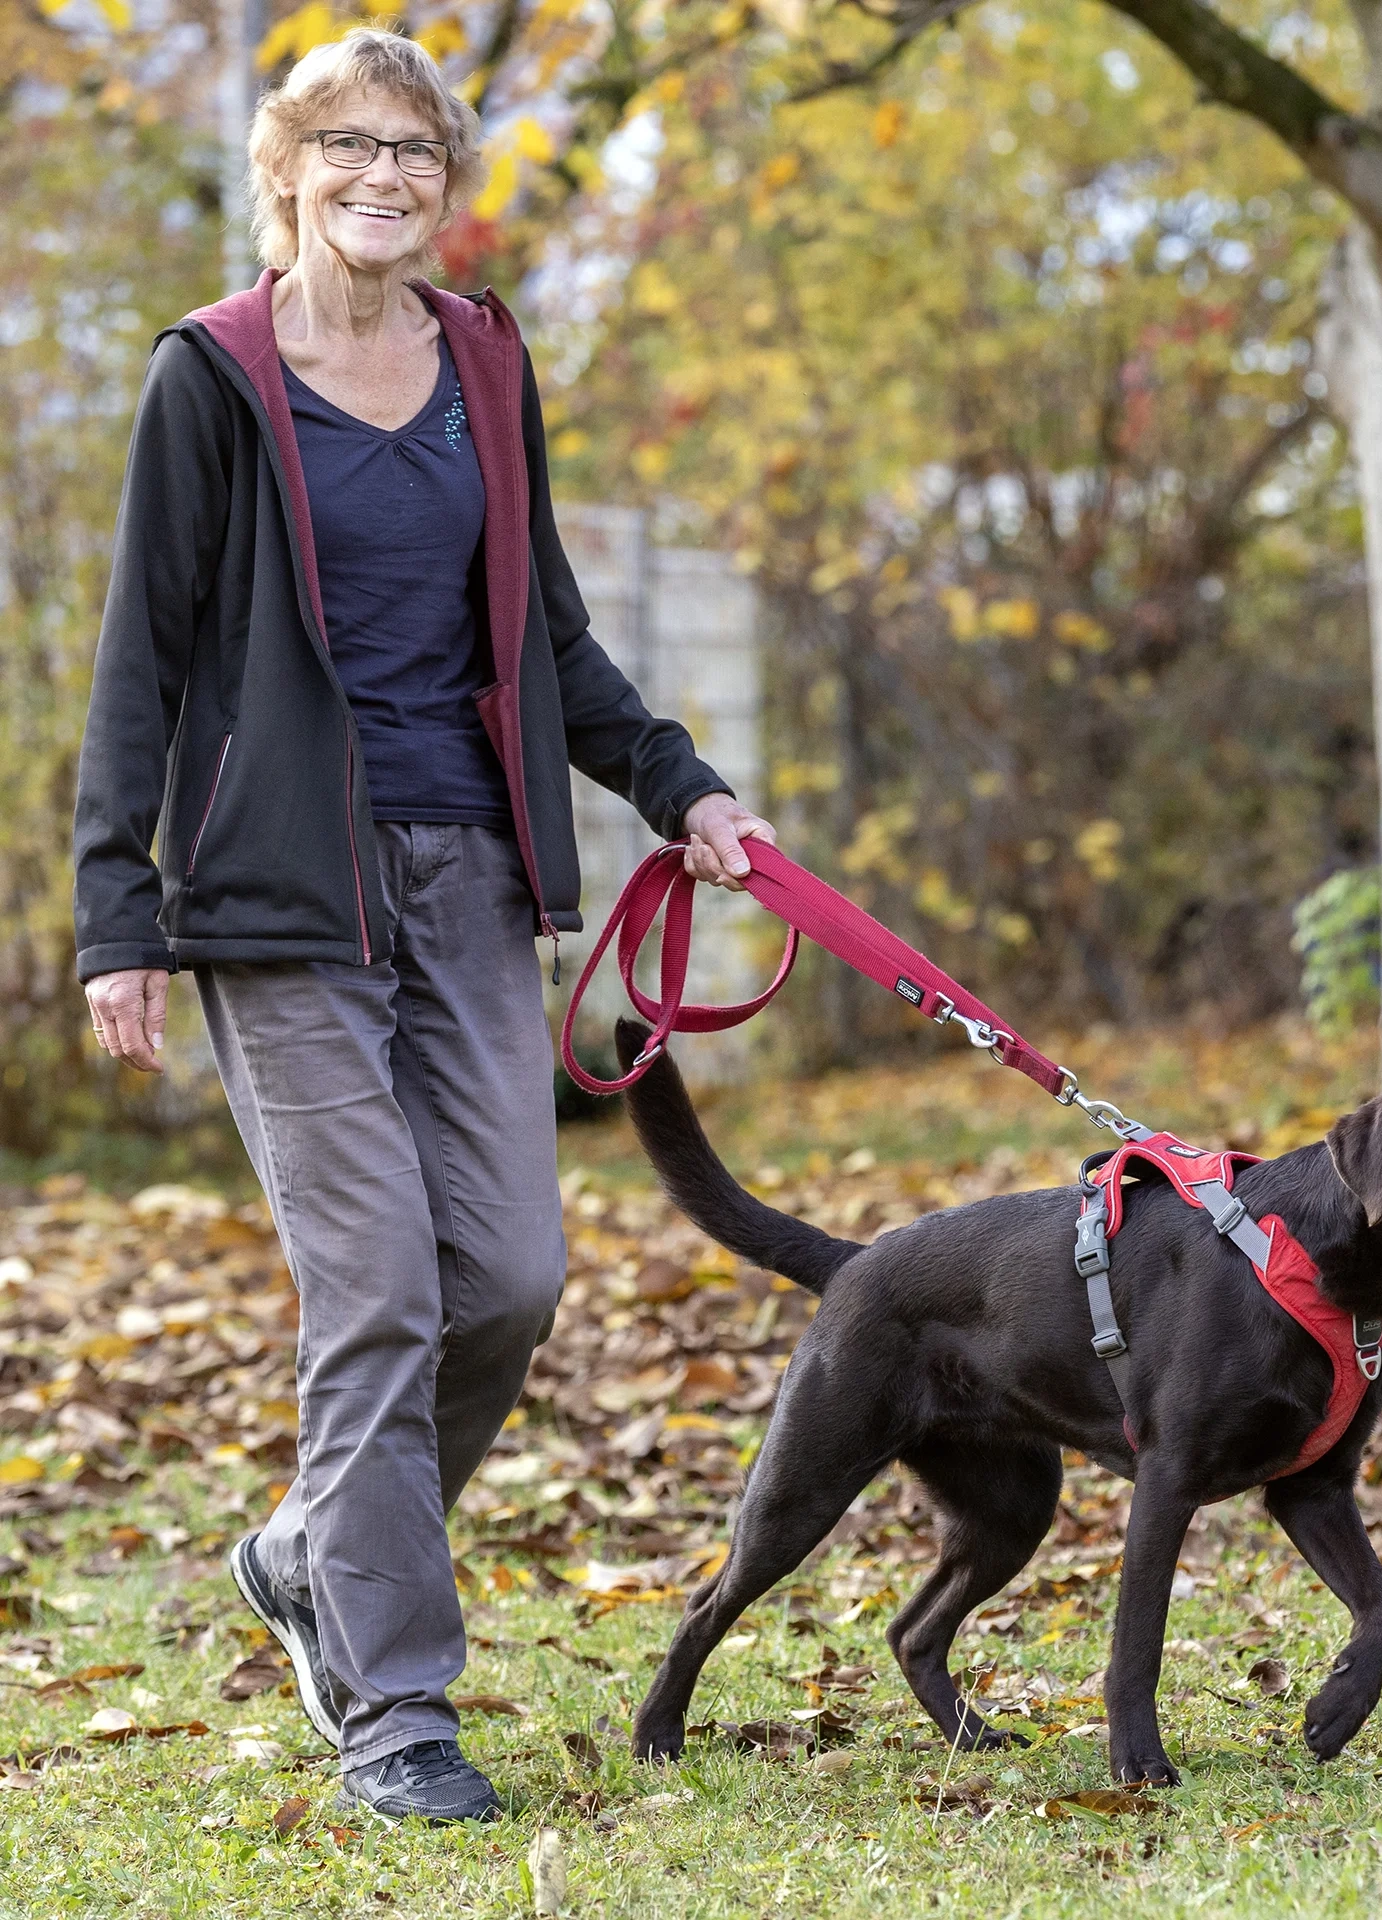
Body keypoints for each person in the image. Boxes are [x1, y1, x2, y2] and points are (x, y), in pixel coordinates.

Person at [71, 27, 772, 1823]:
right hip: (279, 894)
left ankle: (321, 1547)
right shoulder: (213, 378)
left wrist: (678, 783)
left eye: (420, 157)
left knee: (513, 1279)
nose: (388, 179)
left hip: (472, 877)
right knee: (375, 1291)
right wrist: (115, 911)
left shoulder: (482, 363)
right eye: (352, 148)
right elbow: (141, 657)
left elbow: (549, 633)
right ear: (286, 171)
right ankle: (397, 1711)